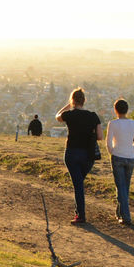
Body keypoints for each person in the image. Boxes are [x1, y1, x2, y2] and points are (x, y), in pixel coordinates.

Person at [55, 88, 101, 225]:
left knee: (78, 184)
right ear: (84, 100)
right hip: (88, 155)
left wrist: (68, 105)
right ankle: (79, 213)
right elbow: (99, 136)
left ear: (73, 100)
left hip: (72, 153)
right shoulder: (93, 116)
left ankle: (80, 215)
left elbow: (57, 116)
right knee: (79, 183)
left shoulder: (69, 115)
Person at [106, 98, 134, 225]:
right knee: (125, 186)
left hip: (117, 156)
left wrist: (112, 151)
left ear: (115, 110)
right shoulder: (133, 123)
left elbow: (108, 142)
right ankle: (119, 212)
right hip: (130, 157)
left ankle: (126, 216)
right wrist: (131, 149)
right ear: (127, 110)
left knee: (120, 186)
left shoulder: (113, 123)